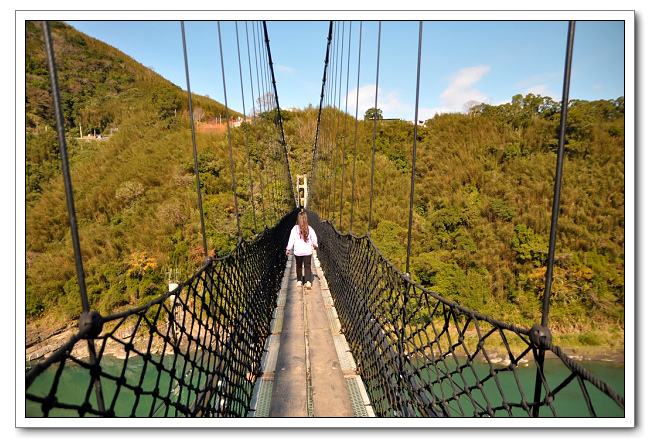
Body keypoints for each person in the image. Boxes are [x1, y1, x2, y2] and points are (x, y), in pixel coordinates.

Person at [285, 211, 318, 289]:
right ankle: (308, 282)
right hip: (307, 252)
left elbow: (291, 240)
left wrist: (288, 249)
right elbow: (314, 239)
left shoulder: (294, 229)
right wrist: (315, 246)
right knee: (307, 266)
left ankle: (299, 281)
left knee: (298, 266)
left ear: (298, 219)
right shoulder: (309, 228)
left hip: (298, 252)